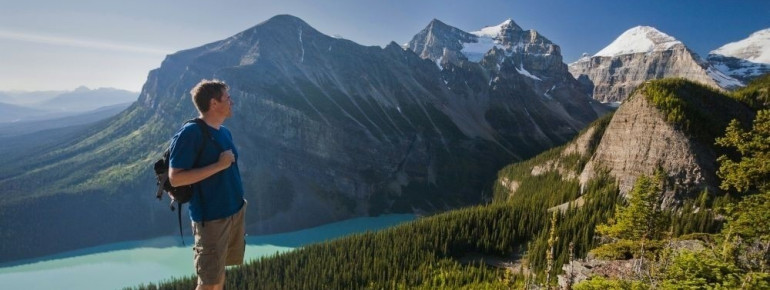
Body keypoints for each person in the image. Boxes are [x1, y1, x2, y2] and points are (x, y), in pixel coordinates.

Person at [168, 79, 246, 290]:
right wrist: (219, 165)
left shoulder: (224, 131)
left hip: (234, 212)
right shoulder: (191, 133)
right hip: (211, 218)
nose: (232, 102)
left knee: (218, 274)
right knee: (208, 282)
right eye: (227, 98)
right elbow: (175, 177)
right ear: (213, 103)